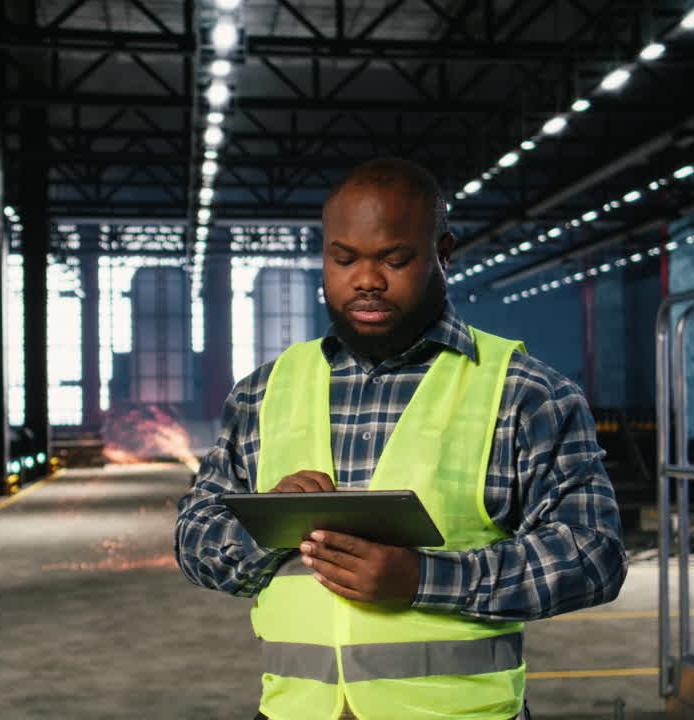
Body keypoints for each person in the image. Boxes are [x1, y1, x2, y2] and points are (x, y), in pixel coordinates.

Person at [174, 157, 627, 720]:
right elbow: (195, 543)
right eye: (344, 259)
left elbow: (594, 554)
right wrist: (272, 523)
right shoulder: (263, 393)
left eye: (395, 259)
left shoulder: (523, 393)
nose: (366, 279)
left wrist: (424, 579)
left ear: (442, 253)